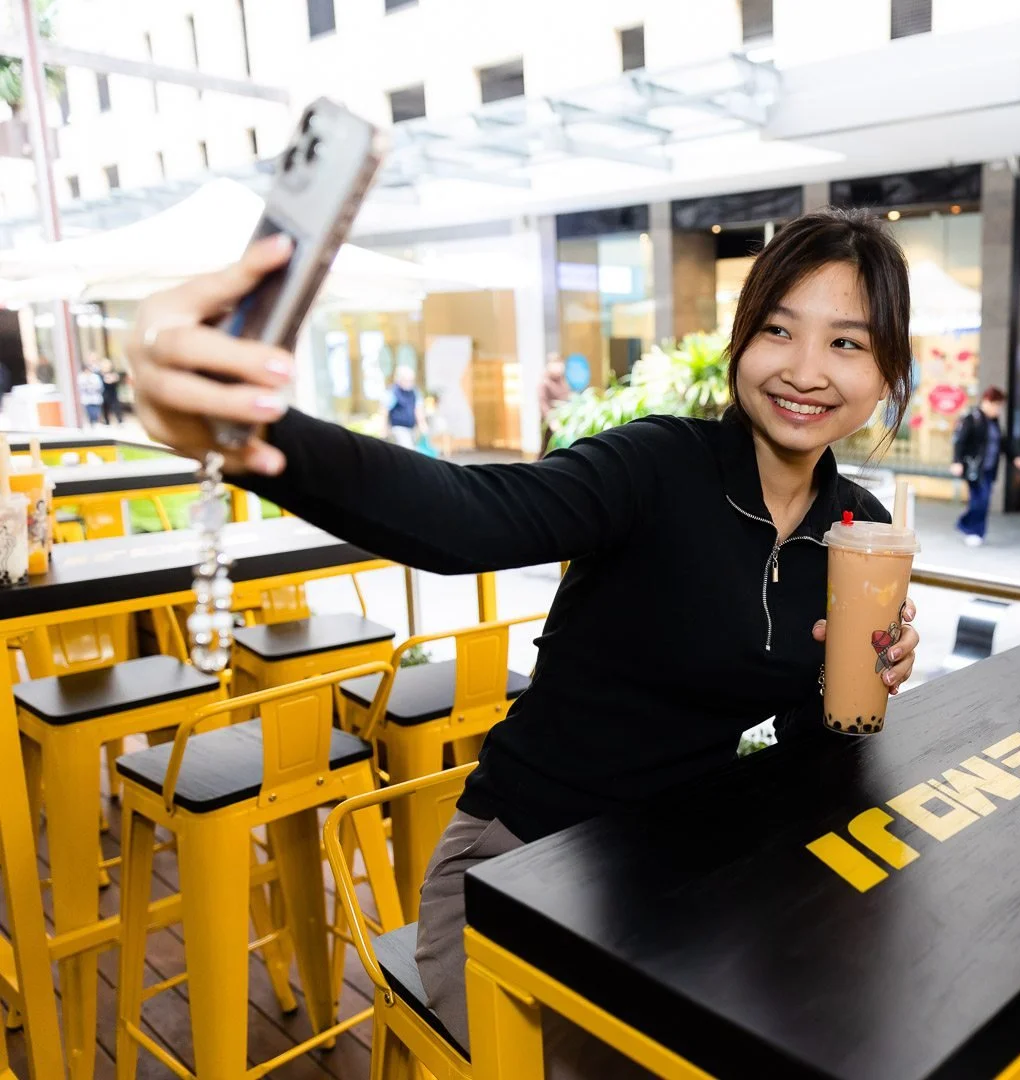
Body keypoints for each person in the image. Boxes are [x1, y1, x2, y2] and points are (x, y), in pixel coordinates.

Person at [127, 208, 925, 1060]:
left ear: (887, 370)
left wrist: (858, 679)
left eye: (846, 342)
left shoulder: (855, 526)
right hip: (523, 863)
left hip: (681, 877)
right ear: (741, 340)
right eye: (778, 330)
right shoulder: (654, 466)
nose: (805, 370)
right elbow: (467, 517)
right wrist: (252, 428)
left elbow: (810, 747)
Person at [949, 386, 1020, 546]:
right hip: (975, 469)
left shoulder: (994, 422)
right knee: (980, 500)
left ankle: (969, 527)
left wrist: (1015, 457)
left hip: (989, 469)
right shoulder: (972, 418)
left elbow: (1003, 443)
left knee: (983, 500)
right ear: (987, 402)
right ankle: (973, 530)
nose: (998, 410)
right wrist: (957, 461)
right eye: (997, 406)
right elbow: (959, 441)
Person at [539, 351, 572, 456]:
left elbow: (567, 397)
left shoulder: (563, 380)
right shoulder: (545, 382)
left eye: (561, 363)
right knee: (546, 449)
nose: (559, 367)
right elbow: (543, 403)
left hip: (563, 420)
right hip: (550, 422)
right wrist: (552, 421)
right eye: (556, 363)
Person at [382, 365, 424, 448]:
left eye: (411, 381)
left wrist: (422, 424)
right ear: (399, 380)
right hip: (398, 427)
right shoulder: (393, 392)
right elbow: (384, 410)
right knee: (408, 448)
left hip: (412, 428)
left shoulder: (414, 391)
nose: (410, 383)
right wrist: (383, 429)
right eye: (407, 380)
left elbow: (418, 409)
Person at [100, 360, 125, 426]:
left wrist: (113, 379)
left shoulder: (114, 373)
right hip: (104, 393)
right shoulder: (100, 374)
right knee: (105, 408)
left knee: (116, 407)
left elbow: (117, 380)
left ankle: (120, 420)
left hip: (113, 393)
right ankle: (107, 421)